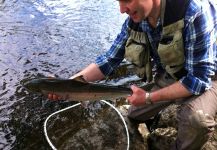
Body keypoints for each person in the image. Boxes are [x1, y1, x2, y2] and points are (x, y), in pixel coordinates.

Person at [48, 0, 217, 149]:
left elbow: (198, 80)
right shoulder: (136, 20)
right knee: (133, 114)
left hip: (208, 79)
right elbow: (109, 60)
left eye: (127, 0)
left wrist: (149, 97)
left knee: (196, 121)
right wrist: (67, 84)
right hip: (172, 75)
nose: (121, 10)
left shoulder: (194, 10)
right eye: (118, 2)